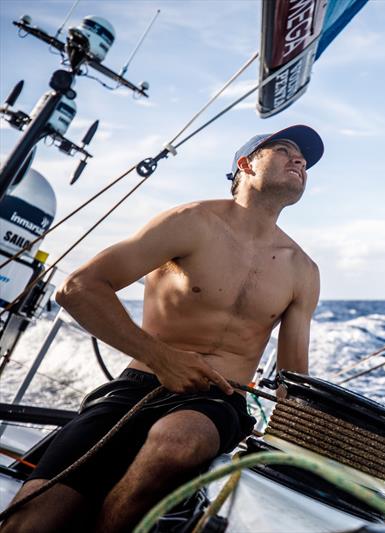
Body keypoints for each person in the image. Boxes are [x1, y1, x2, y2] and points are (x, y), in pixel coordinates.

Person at [0, 125, 324, 533]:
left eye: (305, 160)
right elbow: (79, 288)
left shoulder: (302, 270)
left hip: (217, 401)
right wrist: (161, 357)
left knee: (178, 441)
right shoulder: (190, 222)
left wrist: (301, 454)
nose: (300, 161)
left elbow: (294, 382)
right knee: (29, 522)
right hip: (137, 386)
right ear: (245, 164)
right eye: (284, 149)